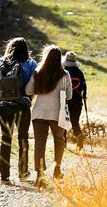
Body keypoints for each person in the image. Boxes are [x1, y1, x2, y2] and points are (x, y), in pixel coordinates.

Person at [0, 37, 38, 184]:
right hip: (22, 106)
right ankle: (22, 172)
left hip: (3, 107)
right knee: (23, 138)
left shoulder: (0, 62)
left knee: (5, 139)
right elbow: (35, 86)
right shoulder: (31, 63)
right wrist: (28, 99)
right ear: (26, 49)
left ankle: (4, 175)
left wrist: (1, 97)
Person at [25, 45, 73, 188]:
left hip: (39, 113)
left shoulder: (38, 72)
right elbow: (69, 96)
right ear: (60, 58)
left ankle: (40, 176)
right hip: (57, 114)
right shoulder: (65, 75)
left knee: (40, 143)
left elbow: (28, 90)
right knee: (59, 140)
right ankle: (57, 170)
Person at [62, 51, 87, 150]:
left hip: (65, 100)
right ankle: (79, 139)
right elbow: (84, 86)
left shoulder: (63, 71)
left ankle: (63, 143)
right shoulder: (79, 72)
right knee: (75, 121)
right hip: (77, 101)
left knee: (63, 121)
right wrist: (84, 96)